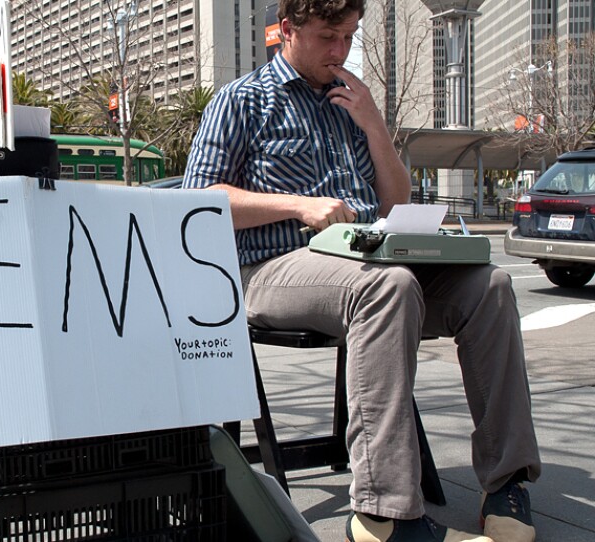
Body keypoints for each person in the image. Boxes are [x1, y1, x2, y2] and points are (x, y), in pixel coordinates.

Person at [182, 1, 541, 541]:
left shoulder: (350, 101)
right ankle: (384, 514)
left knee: (489, 286)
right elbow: (198, 198)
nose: (340, 51)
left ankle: (507, 481)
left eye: (349, 37)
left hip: (367, 258)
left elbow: (395, 207)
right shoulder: (243, 99)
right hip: (271, 267)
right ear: (286, 31)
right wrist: (298, 205)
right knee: (387, 286)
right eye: (328, 36)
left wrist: (374, 125)